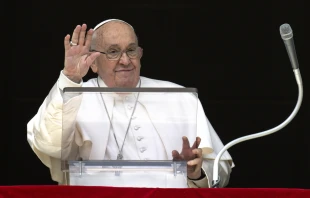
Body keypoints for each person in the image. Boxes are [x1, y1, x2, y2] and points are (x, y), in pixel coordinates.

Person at [27, 19, 234, 188]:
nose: (125, 60)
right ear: (93, 62)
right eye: (113, 52)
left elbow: (219, 173)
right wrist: (71, 77)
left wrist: (195, 173)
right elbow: (50, 145)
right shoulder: (74, 96)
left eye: (131, 50)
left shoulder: (181, 97)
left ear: (141, 55)